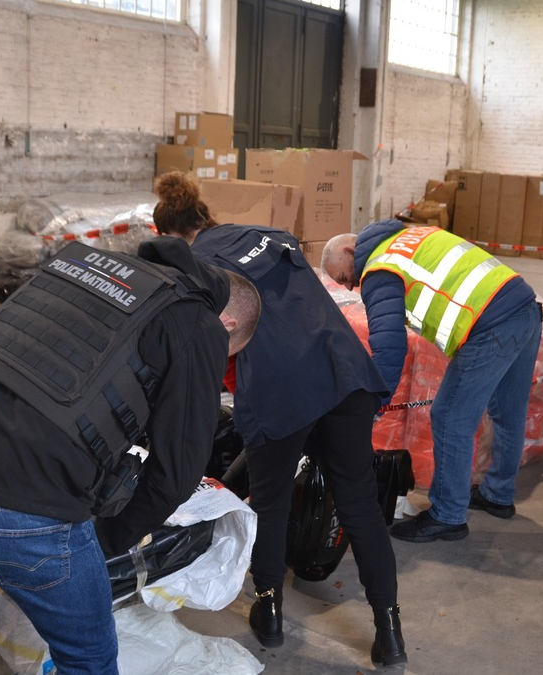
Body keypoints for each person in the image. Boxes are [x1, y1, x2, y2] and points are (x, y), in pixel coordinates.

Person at [0, 236, 260, 675]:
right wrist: (100, 543)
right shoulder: (200, 324)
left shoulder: (86, 265)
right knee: (88, 660)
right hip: (27, 507)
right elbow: (174, 476)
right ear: (228, 323)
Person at [151, 172, 408, 667]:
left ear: (169, 234)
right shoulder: (268, 236)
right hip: (343, 371)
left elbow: (220, 350)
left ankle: (268, 615)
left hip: (281, 389)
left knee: (269, 505)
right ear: (204, 216)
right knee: (359, 505)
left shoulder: (197, 270)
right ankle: (389, 631)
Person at [322, 219, 542, 543]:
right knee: (508, 413)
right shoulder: (411, 235)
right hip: (524, 308)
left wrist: (372, 403)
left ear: (350, 251)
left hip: (491, 326)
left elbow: (388, 349)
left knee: (450, 417)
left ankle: (447, 516)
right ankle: (498, 495)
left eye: (344, 277)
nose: (349, 286)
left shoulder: (380, 268)